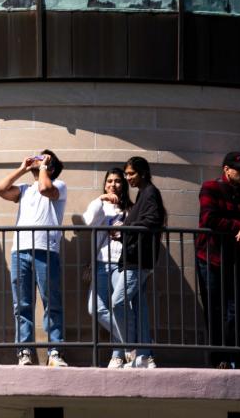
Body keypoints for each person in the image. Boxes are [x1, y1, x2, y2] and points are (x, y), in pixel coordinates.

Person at [196, 152, 240, 370]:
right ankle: (221, 359)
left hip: (237, 259)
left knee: (237, 310)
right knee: (215, 310)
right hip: (211, 258)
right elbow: (209, 219)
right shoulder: (210, 187)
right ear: (226, 169)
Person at [0, 150, 68, 367]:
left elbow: (46, 189)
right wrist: (22, 168)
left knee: (51, 302)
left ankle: (55, 352)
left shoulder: (59, 185)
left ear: (51, 167)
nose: (38, 159)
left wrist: (44, 166)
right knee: (22, 304)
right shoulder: (25, 190)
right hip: (20, 251)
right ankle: (24, 351)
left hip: (47, 250)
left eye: (43, 158)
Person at [110, 156, 165, 369]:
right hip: (135, 259)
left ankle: (132, 347)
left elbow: (153, 220)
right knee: (139, 308)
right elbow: (143, 222)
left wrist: (124, 228)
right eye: (126, 174)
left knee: (117, 302)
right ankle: (143, 354)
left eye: (131, 173)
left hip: (138, 261)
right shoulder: (144, 193)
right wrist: (123, 231)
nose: (127, 178)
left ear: (142, 173)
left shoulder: (150, 192)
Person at [82, 168, 131, 366]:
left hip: (122, 263)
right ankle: (132, 340)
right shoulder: (101, 206)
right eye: (109, 181)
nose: (113, 184)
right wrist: (101, 199)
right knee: (95, 308)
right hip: (102, 262)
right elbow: (87, 220)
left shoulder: (130, 209)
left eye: (118, 181)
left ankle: (118, 355)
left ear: (124, 185)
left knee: (120, 308)